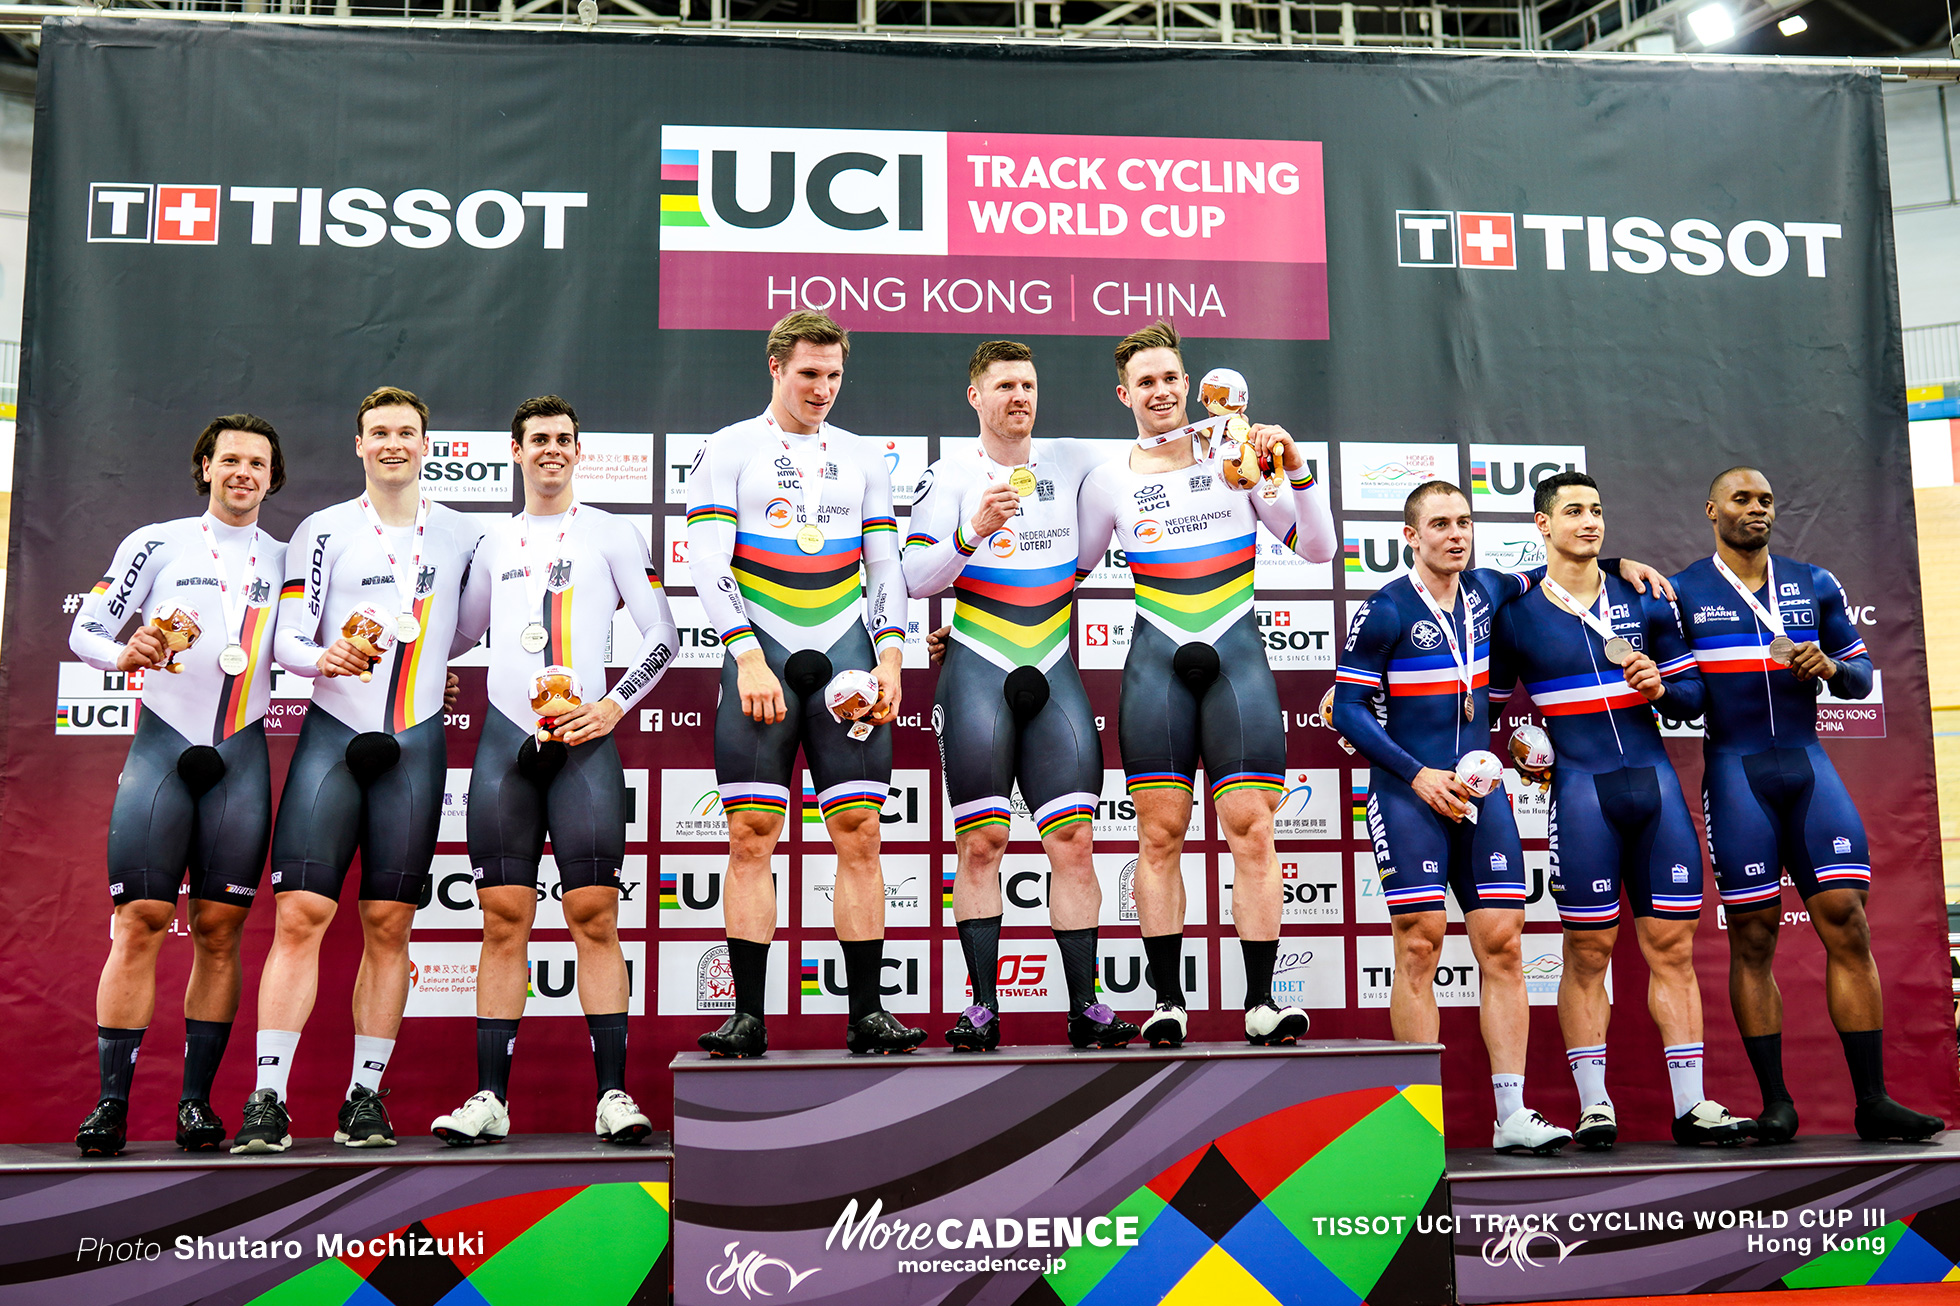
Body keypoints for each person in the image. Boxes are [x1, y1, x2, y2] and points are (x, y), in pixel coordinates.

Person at [231, 387, 485, 1153]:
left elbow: (469, 629)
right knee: (302, 917)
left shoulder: (465, 535)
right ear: (359, 444)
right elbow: (288, 641)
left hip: (414, 742)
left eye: (407, 432)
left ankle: (363, 1099)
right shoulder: (325, 527)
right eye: (379, 432)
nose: (393, 444)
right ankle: (267, 1099)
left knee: (390, 923)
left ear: (425, 444)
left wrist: (435, 664)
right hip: (332, 738)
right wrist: (325, 657)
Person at [1075, 321, 1337, 1047]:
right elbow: (1058, 578)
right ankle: (1168, 1003)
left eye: (1171, 379)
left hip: (1238, 658)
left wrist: (1295, 465)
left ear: (1188, 385)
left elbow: (1318, 549)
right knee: (1158, 839)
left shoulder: (1236, 453)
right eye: (1146, 382)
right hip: (1155, 665)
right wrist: (964, 625)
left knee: (1253, 834)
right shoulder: (1107, 480)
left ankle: (1261, 1002)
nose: (1161, 392)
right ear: (1123, 393)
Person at [429, 395, 678, 1146]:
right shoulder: (492, 541)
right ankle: (489, 1100)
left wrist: (612, 707)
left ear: (579, 451)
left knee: (594, 918)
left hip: (586, 745)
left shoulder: (609, 531)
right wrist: (425, 672)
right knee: (503, 921)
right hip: (506, 742)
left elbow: (662, 635)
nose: (551, 451)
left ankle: (613, 1097)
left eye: (563, 440)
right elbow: (460, 632)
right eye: (537, 439)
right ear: (514, 450)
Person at [1671, 467, 1943, 1142]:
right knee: (1755, 934)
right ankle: (1776, 1105)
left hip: (1807, 764)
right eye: (1742, 499)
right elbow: (1684, 700)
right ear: (1713, 510)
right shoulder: (1682, 593)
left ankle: (1874, 1101)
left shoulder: (1812, 582)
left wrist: (1832, 668)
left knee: (1847, 920)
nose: (1756, 509)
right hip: (1735, 771)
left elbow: (1859, 681)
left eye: (1765, 499)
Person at [686, 310, 924, 1057]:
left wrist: (891, 658)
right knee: (751, 836)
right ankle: (748, 1016)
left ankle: (866, 1013)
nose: (823, 388)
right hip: (763, 650)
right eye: (809, 374)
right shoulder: (729, 449)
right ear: (776, 368)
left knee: (860, 834)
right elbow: (706, 561)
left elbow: (884, 565)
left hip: (848, 650)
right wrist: (746, 656)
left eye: (834, 375)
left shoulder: (863, 457)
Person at [1490, 471, 1749, 1148]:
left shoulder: (1645, 595)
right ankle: (1594, 1105)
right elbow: (1481, 714)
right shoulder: (1515, 610)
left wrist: (1662, 684)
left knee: (1673, 949)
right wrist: (1519, 746)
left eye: (1598, 511)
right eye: (1573, 511)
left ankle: (1691, 1105)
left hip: (1654, 786)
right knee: (1587, 950)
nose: (1590, 521)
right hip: (1580, 793)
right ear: (1542, 525)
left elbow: (1695, 700)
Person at [68, 416, 289, 1155]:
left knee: (221, 934)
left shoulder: (287, 559)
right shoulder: (155, 542)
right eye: (230, 459)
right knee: (140, 922)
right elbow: (86, 630)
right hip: (163, 747)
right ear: (204, 466)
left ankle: (195, 1105)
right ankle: (110, 1105)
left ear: (271, 476)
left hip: (240, 756)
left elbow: (321, 644)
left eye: (257, 463)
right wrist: (120, 650)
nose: (243, 473)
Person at [904, 340, 1133, 1051]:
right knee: (983, 843)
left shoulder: (1074, 459)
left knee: (1073, 841)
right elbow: (913, 579)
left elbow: (1158, 449)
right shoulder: (947, 475)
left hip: (1056, 668)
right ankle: (982, 1006)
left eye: (1028, 385)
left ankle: (1087, 1007)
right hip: (979, 669)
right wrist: (972, 533)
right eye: (1004, 386)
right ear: (975, 396)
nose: (1020, 398)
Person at [1334, 480, 1568, 1153]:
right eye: (1439, 524)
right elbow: (1346, 710)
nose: (1455, 534)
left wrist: (1619, 567)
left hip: (1480, 792)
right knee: (1419, 942)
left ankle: (1511, 1117)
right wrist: (1416, 773)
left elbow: (1551, 570)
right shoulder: (1384, 609)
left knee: (1503, 942)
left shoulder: (1488, 590)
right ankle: (1414, 1125)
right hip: (1409, 791)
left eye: (1464, 522)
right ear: (1411, 536)